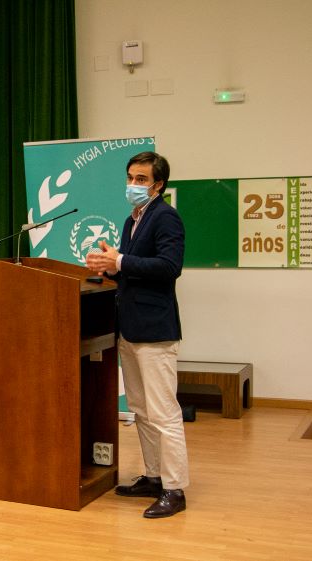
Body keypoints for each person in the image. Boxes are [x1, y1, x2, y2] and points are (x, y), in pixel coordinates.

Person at [85, 151, 188, 519]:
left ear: (159, 184)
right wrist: (109, 269)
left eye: (141, 179)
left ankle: (175, 489)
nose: (133, 185)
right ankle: (153, 476)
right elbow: (132, 270)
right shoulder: (132, 221)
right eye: (131, 177)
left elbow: (169, 267)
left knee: (164, 413)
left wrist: (121, 262)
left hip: (155, 331)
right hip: (128, 328)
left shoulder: (166, 217)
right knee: (141, 410)